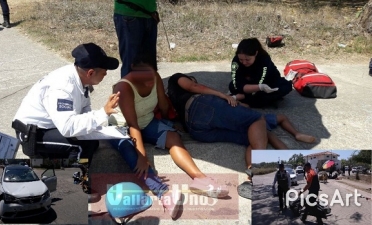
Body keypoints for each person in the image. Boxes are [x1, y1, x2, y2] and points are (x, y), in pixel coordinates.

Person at [108, 58, 229, 219]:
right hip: (122, 126)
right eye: (147, 82)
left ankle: (200, 179)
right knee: (134, 157)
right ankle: (164, 194)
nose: (152, 83)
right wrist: (142, 156)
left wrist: (168, 122)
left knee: (173, 138)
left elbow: (163, 104)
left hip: (147, 120)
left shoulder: (154, 77)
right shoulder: (123, 87)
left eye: (153, 78)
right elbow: (133, 126)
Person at [167, 73, 315, 167]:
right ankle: (262, 163)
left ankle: (252, 170)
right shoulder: (176, 79)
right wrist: (222, 95)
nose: (197, 84)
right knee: (257, 120)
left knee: (256, 136)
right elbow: (193, 86)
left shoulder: (175, 103)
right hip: (203, 109)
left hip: (196, 130)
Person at [13, 43, 120, 163]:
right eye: (104, 73)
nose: (105, 75)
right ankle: (76, 178)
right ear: (90, 73)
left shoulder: (79, 77)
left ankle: (57, 161)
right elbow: (68, 128)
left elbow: (84, 108)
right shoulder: (62, 88)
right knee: (80, 147)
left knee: (92, 142)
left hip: (54, 125)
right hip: (34, 133)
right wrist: (103, 113)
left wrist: (96, 126)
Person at [228, 38, 293, 108]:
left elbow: (261, 82)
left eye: (247, 59)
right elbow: (237, 83)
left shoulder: (264, 60)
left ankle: (244, 100)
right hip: (247, 84)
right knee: (232, 86)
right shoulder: (236, 61)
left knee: (286, 86)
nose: (244, 62)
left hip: (266, 83)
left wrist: (241, 95)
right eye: (241, 59)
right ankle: (252, 100)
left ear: (256, 53)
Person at [113, 0, 158, 77]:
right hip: (129, 12)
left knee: (149, 63)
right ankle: (127, 88)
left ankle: (149, 88)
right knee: (131, 63)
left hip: (149, 14)